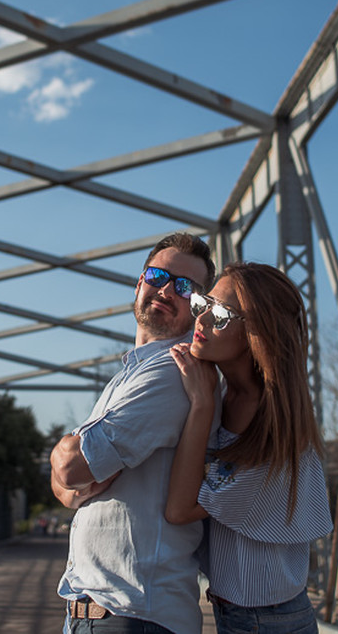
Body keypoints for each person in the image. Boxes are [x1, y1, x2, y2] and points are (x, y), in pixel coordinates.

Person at [51, 232, 218, 633]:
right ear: (139, 281)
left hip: (134, 615)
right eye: (158, 275)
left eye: (184, 287)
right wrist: (73, 472)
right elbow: (66, 489)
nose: (166, 290)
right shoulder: (131, 375)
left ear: (198, 308)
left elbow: (72, 469)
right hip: (105, 613)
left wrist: (70, 461)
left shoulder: (169, 373)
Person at [165, 262, 333, 634]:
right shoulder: (229, 395)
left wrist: (201, 404)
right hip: (243, 614)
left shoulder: (268, 422)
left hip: (268, 621)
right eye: (202, 304)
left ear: (257, 333)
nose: (203, 319)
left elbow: (179, 510)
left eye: (222, 314)